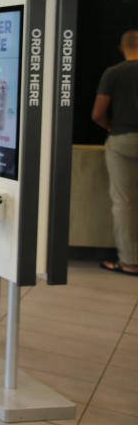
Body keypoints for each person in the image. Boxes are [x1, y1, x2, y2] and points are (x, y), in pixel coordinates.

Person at [92, 29, 138, 276]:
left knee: (123, 202)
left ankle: (129, 261)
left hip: (122, 140)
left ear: (122, 48)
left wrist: (111, 126)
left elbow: (97, 113)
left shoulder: (114, 73)